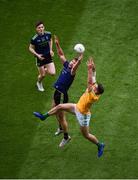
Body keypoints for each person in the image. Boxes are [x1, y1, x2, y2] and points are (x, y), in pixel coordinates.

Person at [33, 57, 105, 157]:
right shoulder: (95, 88)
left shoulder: (94, 96)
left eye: (95, 87)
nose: (94, 86)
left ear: (97, 91)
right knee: (60, 106)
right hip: (77, 107)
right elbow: (93, 76)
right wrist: (93, 68)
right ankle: (43, 116)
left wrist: (88, 69)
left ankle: (100, 145)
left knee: (86, 135)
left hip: (83, 115)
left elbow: (89, 82)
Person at [29, 21, 56, 92]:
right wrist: (37, 55)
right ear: (36, 29)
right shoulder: (34, 39)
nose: (41, 29)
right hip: (40, 58)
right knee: (43, 75)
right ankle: (39, 83)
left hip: (48, 56)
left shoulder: (48, 34)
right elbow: (30, 48)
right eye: (39, 28)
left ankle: (44, 69)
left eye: (42, 27)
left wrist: (50, 50)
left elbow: (50, 40)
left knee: (53, 73)